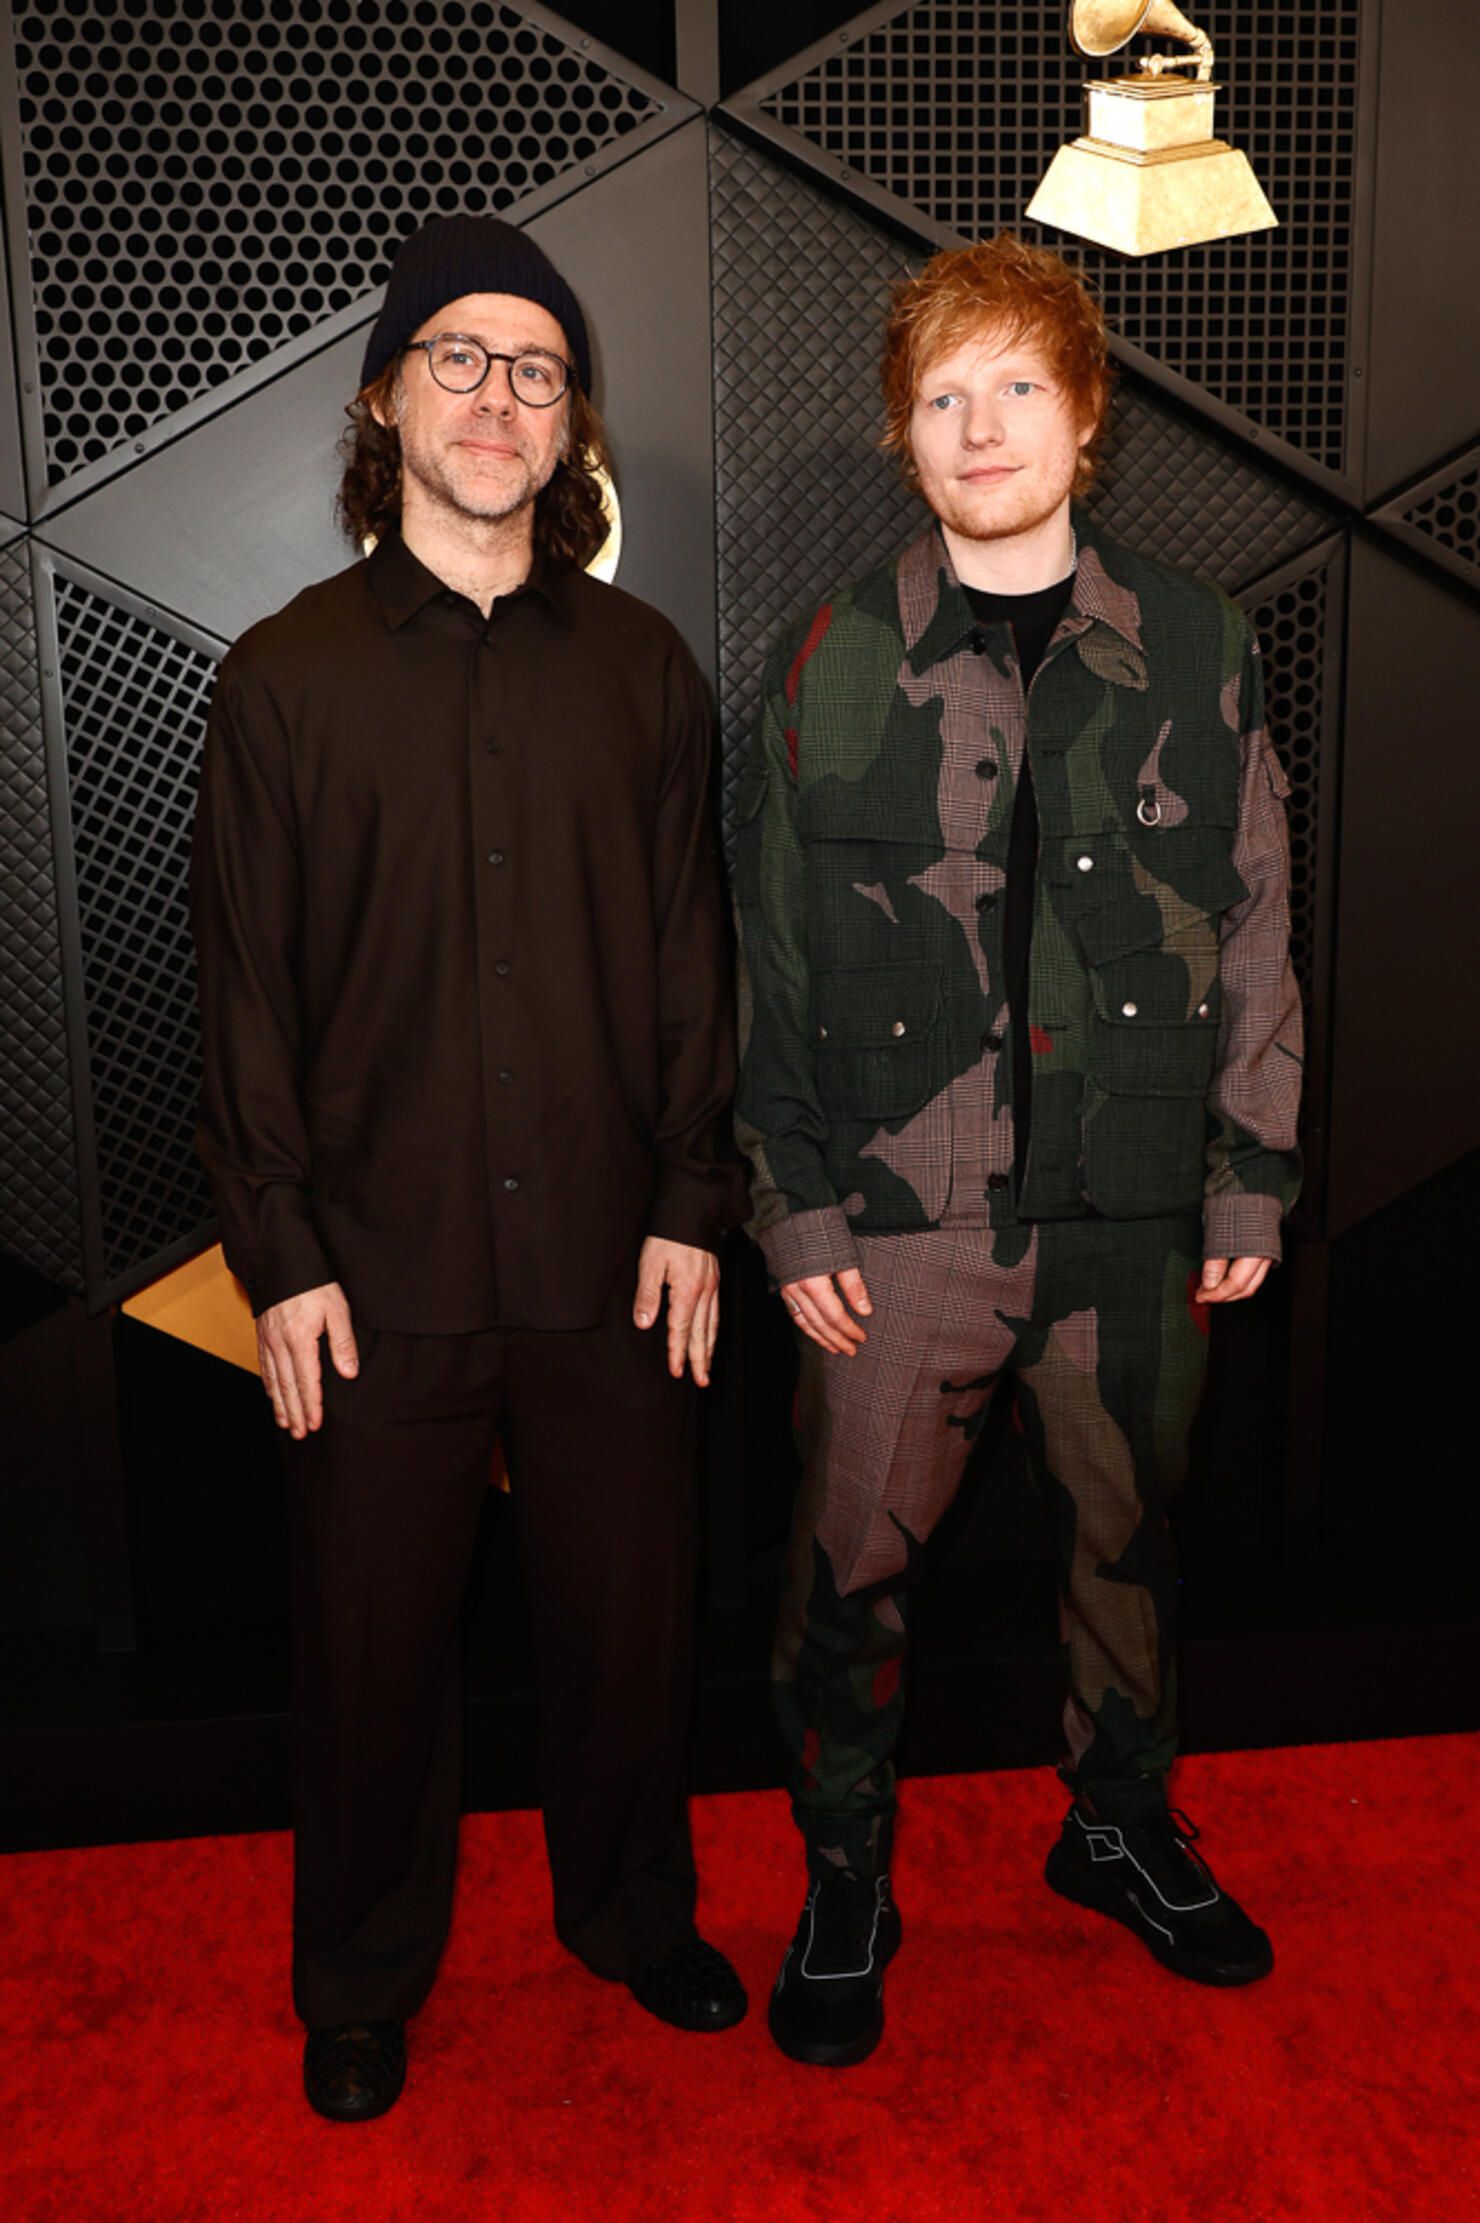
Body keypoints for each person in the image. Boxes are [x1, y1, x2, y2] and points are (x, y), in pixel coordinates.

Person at [191, 214, 748, 2122]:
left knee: (626, 1631)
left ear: (571, 419)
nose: (499, 396)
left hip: (613, 1257)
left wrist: (695, 1198)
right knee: (368, 1663)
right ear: (386, 397)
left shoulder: (651, 672)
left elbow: (696, 957)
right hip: (373, 1267)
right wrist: (279, 1255)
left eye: (535, 368)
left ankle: (630, 1911)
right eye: (460, 358)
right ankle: (360, 1973)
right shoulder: (282, 680)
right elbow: (247, 997)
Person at [732, 233, 1303, 2068]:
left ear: (1087, 414)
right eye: (942, 398)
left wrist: (1251, 1169)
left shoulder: (1201, 647)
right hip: (902, 1223)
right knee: (848, 1571)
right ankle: (847, 1873)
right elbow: (768, 966)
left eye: (1018, 389)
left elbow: (1259, 924)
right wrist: (794, 1198)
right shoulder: (826, 661)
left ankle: (1118, 1827)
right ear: (907, 435)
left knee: (1131, 1551)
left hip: (1141, 1211)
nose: (981, 428)